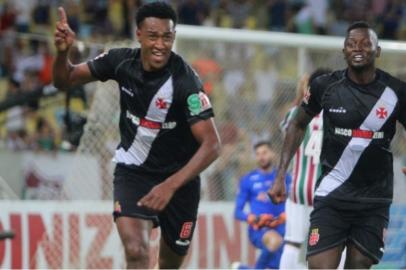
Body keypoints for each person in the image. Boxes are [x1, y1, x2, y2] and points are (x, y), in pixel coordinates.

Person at [52, 2, 221, 269]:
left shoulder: (186, 81)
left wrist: (170, 185)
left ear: (173, 37)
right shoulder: (120, 61)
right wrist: (63, 54)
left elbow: (212, 145)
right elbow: (65, 80)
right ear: (139, 34)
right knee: (136, 250)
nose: (161, 44)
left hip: (179, 182)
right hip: (134, 172)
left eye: (167, 37)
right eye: (153, 36)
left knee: (169, 264)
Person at [268, 21, 406, 269]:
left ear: (378, 50)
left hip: (373, 200)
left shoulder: (396, 92)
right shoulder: (325, 86)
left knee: (359, 264)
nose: (358, 48)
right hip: (332, 196)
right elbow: (296, 124)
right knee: (320, 266)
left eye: (366, 43)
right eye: (351, 44)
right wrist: (280, 175)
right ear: (343, 50)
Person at [278, 68, 332, 269]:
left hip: (299, 190)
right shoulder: (339, 115)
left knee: (292, 243)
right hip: (325, 192)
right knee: (333, 245)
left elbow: (286, 128)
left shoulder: (295, 113)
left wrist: (302, 94)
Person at [234, 141, 291, 269]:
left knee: (278, 266)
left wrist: (287, 215)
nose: (261, 157)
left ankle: (241, 268)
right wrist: (252, 218)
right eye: (258, 154)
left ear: (272, 154)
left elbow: (293, 202)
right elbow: (237, 211)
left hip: (282, 228)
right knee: (274, 241)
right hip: (260, 229)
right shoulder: (248, 180)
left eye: (264, 152)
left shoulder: (284, 178)